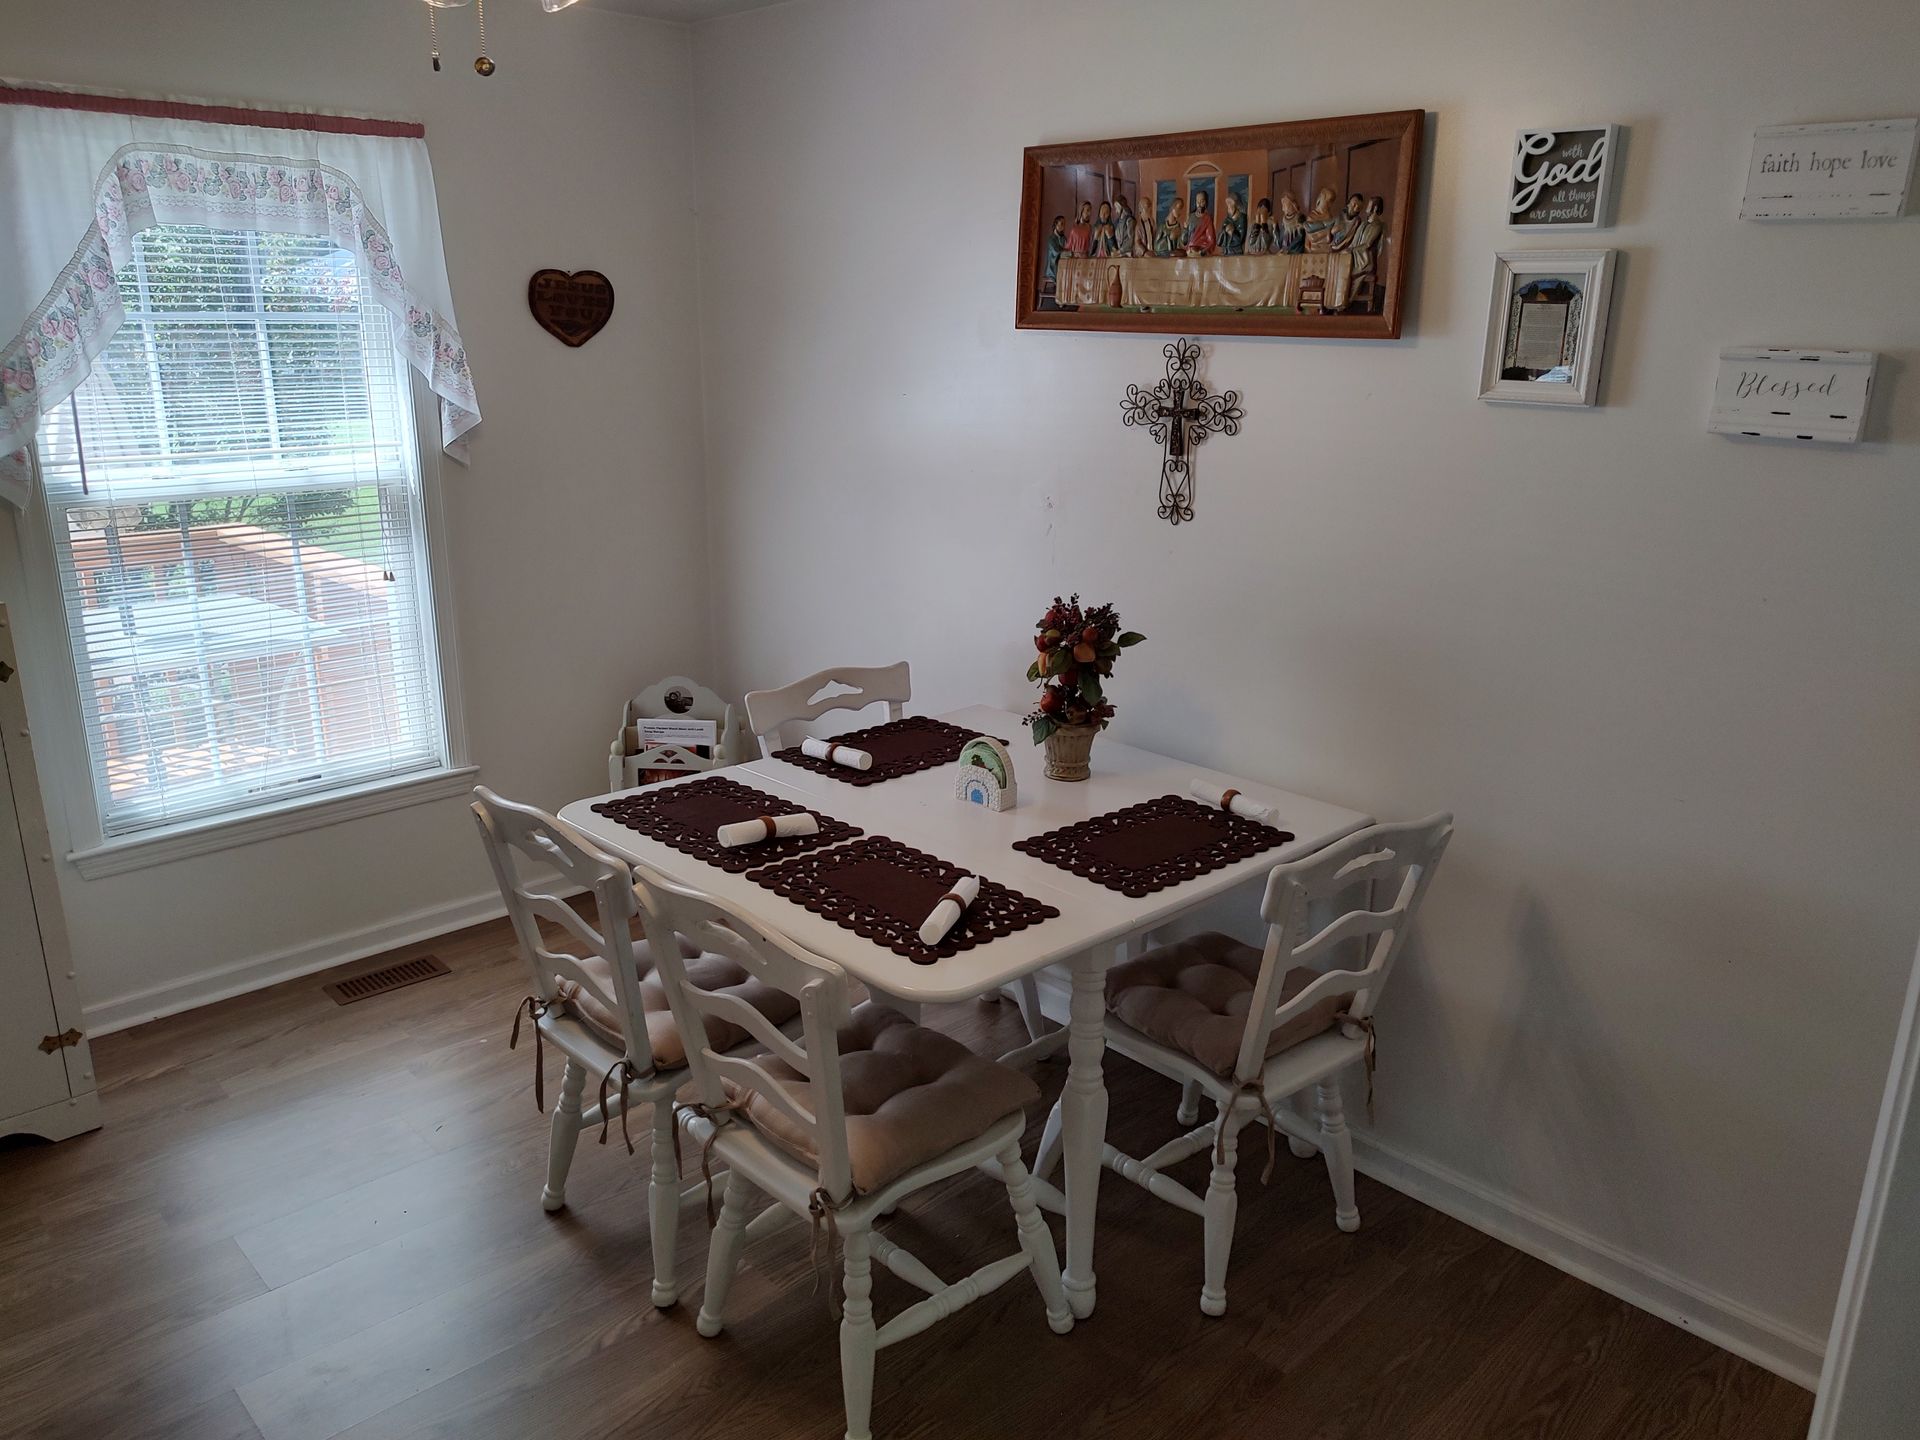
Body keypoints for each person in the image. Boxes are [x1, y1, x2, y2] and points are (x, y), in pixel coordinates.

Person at [1183, 189, 1216, 255]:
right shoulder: (1191, 216)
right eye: (1197, 201)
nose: (1199, 204)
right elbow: (1184, 241)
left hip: (1200, 250)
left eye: (1202, 201)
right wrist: (1185, 229)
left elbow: (1211, 241)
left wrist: (1202, 252)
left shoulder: (1207, 218)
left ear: (1206, 202)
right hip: (1189, 250)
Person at [1043, 214, 1068, 287]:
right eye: (1061, 224)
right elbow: (1056, 251)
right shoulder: (1051, 239)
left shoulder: (1064, 238)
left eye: (1064, 224)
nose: (1063, 227)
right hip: (1053, 265)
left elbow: (1067, 247)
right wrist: (1065, 252)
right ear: (1056, 225)